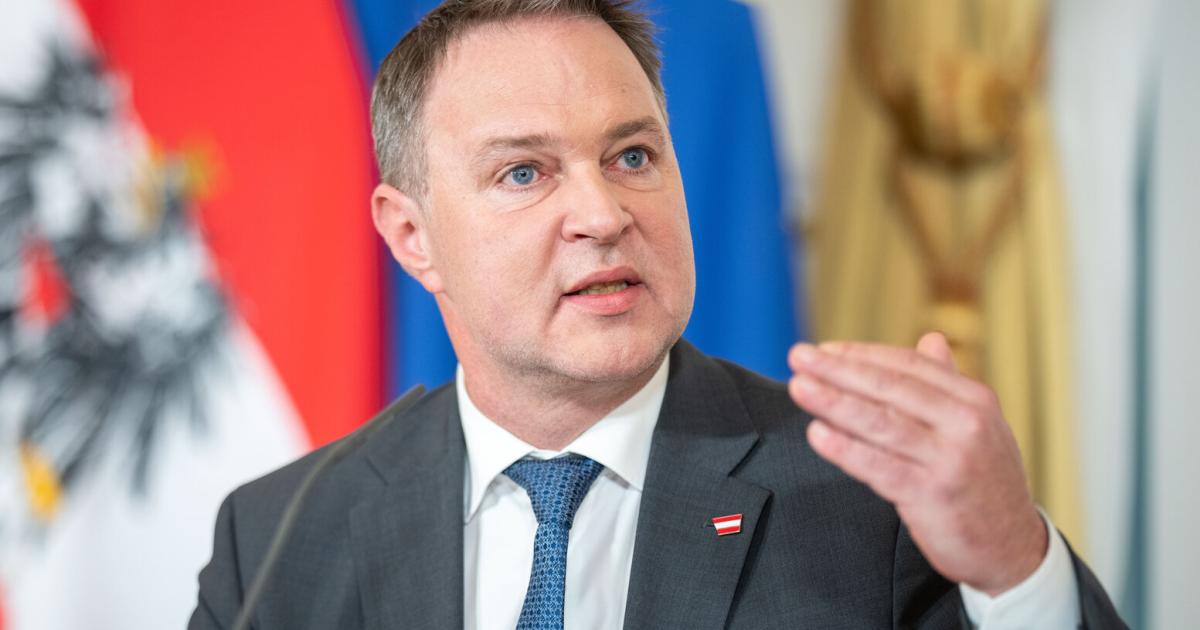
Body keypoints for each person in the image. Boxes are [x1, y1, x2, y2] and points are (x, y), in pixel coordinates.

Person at [189, 1, 1125, 628]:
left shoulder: (866, 501)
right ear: (411, 236)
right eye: (526, 172)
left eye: (632, 156)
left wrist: (1014, 567)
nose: (603, 215)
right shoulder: (277, 541)